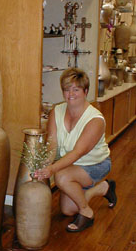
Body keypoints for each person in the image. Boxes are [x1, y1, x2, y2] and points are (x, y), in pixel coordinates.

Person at [34, 68, 117, 233]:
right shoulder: (56, 112)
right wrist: (43, 165)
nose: (70, 94)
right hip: (72, 165)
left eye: (76, 89)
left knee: (61, 176)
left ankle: (87, 212)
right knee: (68, 210)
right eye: (66, 89)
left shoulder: (95, 120)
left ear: (85, 91)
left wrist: (52, 169)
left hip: (95, 164)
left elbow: (78, 152)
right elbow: (52, 146)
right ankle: (103, 189)